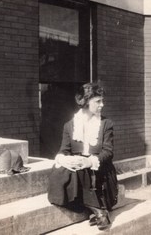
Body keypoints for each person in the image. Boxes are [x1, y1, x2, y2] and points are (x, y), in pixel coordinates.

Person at [48, 83, 118, 230]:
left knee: (83, 171)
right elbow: (64, 150)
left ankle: (96, 209)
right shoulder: (69, 126)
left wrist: (88, 161)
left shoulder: (106, 124)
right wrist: (66, 159)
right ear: (85, 102)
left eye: (102, 100)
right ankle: (98, 209)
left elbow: (108, 152)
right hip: (80, 169)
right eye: (98, 101)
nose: (102, 105)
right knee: (59, 169)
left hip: (100, 169)